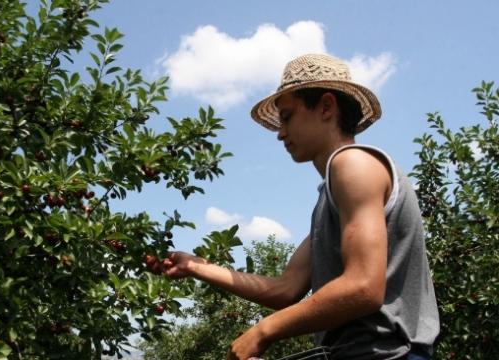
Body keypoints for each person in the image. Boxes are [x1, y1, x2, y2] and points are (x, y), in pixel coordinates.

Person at [160, 54, 440, 360]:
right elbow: (287, 288)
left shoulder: (353, 164)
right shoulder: (330, 197)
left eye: (288, 117)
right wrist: (196, 267)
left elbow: (363, 287)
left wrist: (262, 330)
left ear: (326, 107)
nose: (280, 133)